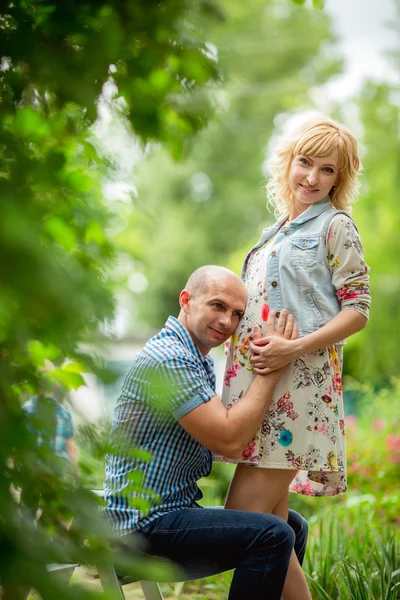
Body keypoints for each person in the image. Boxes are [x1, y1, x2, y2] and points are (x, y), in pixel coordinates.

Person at [214, 116, 371, 599]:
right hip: (259, 390)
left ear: (338, 180)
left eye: (327, 170)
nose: (312, 177)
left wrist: (293, 346)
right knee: (272, 540)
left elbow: (359, 309)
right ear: (288, 162)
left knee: (245, 522)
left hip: (297, 393)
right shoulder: (274, 232)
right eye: (305, 162)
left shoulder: (335, 226)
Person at [104, 265, 308, 600]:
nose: (228, 322)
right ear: (186, 300)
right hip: (142, 528)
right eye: (217, 306)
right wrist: (272, 368)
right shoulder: (171, 359)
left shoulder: (193, 357)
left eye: (237, 314)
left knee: (292, 526)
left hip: (166, 514)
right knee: (272, 535)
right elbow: (227, 438)